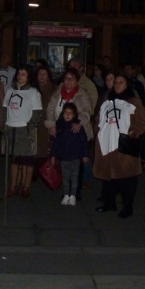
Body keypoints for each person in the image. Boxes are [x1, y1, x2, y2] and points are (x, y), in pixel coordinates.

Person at [94, 74, 145, 217]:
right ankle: (110, 203)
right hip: (107, 143)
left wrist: (133, 133)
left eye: (121, 82)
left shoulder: (134, 101)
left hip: (124, 145)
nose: (117, 85)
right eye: (116, 82)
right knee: (109, 176)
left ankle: (127, 206)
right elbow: (99, 118)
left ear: (127, 85)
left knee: (127, 177)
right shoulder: (106, 100)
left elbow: (141, 123)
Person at [46, 67, 93, 199]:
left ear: (77, 81)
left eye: (72, 79)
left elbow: (87, 110)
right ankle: (67, 190)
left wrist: (79, 123)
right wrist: (51, 124)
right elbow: (50, 108)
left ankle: (75, 192)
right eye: (67, 78)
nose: (69, 81)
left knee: (77, 165)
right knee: (65, 163)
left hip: (78, 132)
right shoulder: (58, 92)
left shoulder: (82, 94)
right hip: (62, 132)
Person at [4, 65, 42, 198]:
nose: (20, 76)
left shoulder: (33, 92)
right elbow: (5, 108)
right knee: (14, 160)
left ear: (28, 76)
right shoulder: (10, 91)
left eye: (24, 74)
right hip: (11, 128)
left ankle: (26, 187)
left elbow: (37, 113)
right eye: (19, 73)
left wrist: (29, 127)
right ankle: (13, 186)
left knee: (27, 160)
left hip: (24, 128)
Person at [50, 102, 89, 206]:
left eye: (70, 113)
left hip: (75, 156)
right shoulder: (60, 126)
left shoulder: (77, 127)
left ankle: (73, 196)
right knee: (65, 176)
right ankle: (66, 194)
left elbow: (83, 141)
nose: (67, 115)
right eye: (66, 112)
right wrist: (53, 155)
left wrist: (85, 155)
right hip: (64, 156)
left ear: (74, 115)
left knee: (74, 176)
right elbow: (56, 142)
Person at [35, 66, 56, 160]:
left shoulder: (53, 89)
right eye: (40, 74)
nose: (42, 77)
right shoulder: (32, 88)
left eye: (44, 74)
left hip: (47, 121)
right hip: (35, 122)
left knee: (45, 149)